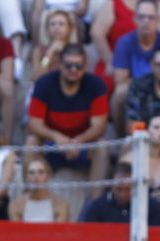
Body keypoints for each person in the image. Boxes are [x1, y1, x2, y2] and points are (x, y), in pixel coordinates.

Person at [27, 44, 112, 187]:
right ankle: (29, 197)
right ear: (60, 65)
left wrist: (78, 141)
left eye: (78, 66)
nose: (73, 70)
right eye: (68, 66)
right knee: (31, 142)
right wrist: (56, 137)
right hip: (52, 143)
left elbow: (99, 126)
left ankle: (94, 202)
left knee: (102, 147)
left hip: (83, 144)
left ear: (85, 67)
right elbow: (34, 123)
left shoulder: (96, 85)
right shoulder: (44, 84)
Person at [114, 0, 160, 131]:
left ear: (158, 20)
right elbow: (120, 80)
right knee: (120, 93)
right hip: (136, 88)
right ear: (135, 19)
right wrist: (148, 81)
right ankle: (122, 136)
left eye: (151, 17)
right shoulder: (124, 42)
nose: (146, 21)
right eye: (142, 17)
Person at [78, 160, 160, 224]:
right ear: (112, 186)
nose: (123, 195)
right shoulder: (98, 206)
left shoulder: (151, 206)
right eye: (119, 189)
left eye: (128, 189)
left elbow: (158, 238)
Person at [9, 155, 73, 222]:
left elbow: (60, 230)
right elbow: (18, 231)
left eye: (41, 172)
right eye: (31, 172)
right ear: (26, 177)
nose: (36, 176)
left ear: (48, 176)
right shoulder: (16, 205)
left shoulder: (61, 204)